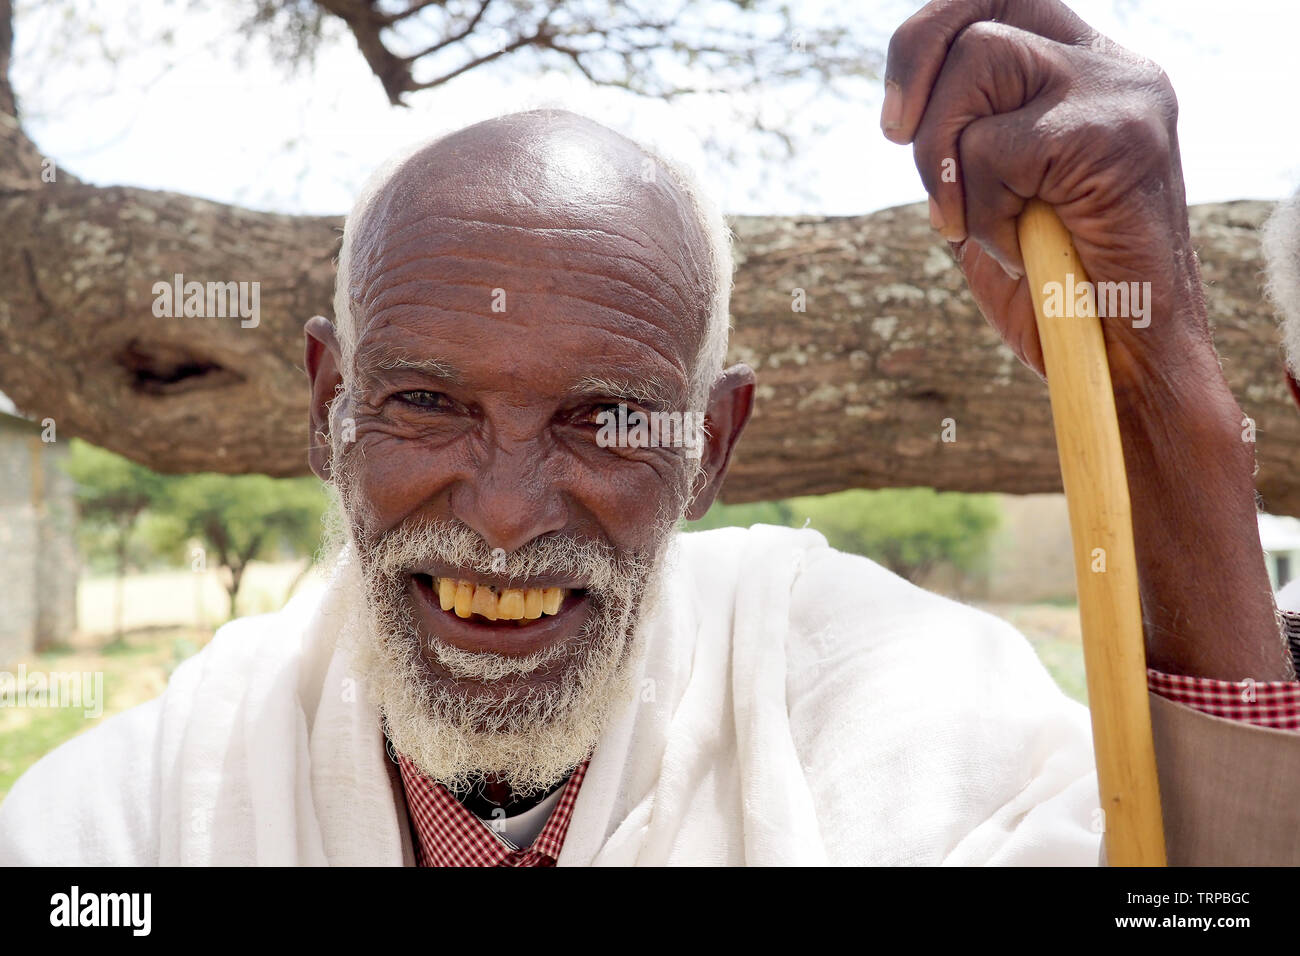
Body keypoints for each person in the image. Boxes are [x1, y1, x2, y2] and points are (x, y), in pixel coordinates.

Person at [5, 0, 1300, 866]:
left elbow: (1192, 872)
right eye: (427, 402)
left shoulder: (857, 691)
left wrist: (1158, 365)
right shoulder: (146, 811)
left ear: (714, 448)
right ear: (326, 409)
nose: (507, 515)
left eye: (607, 419)